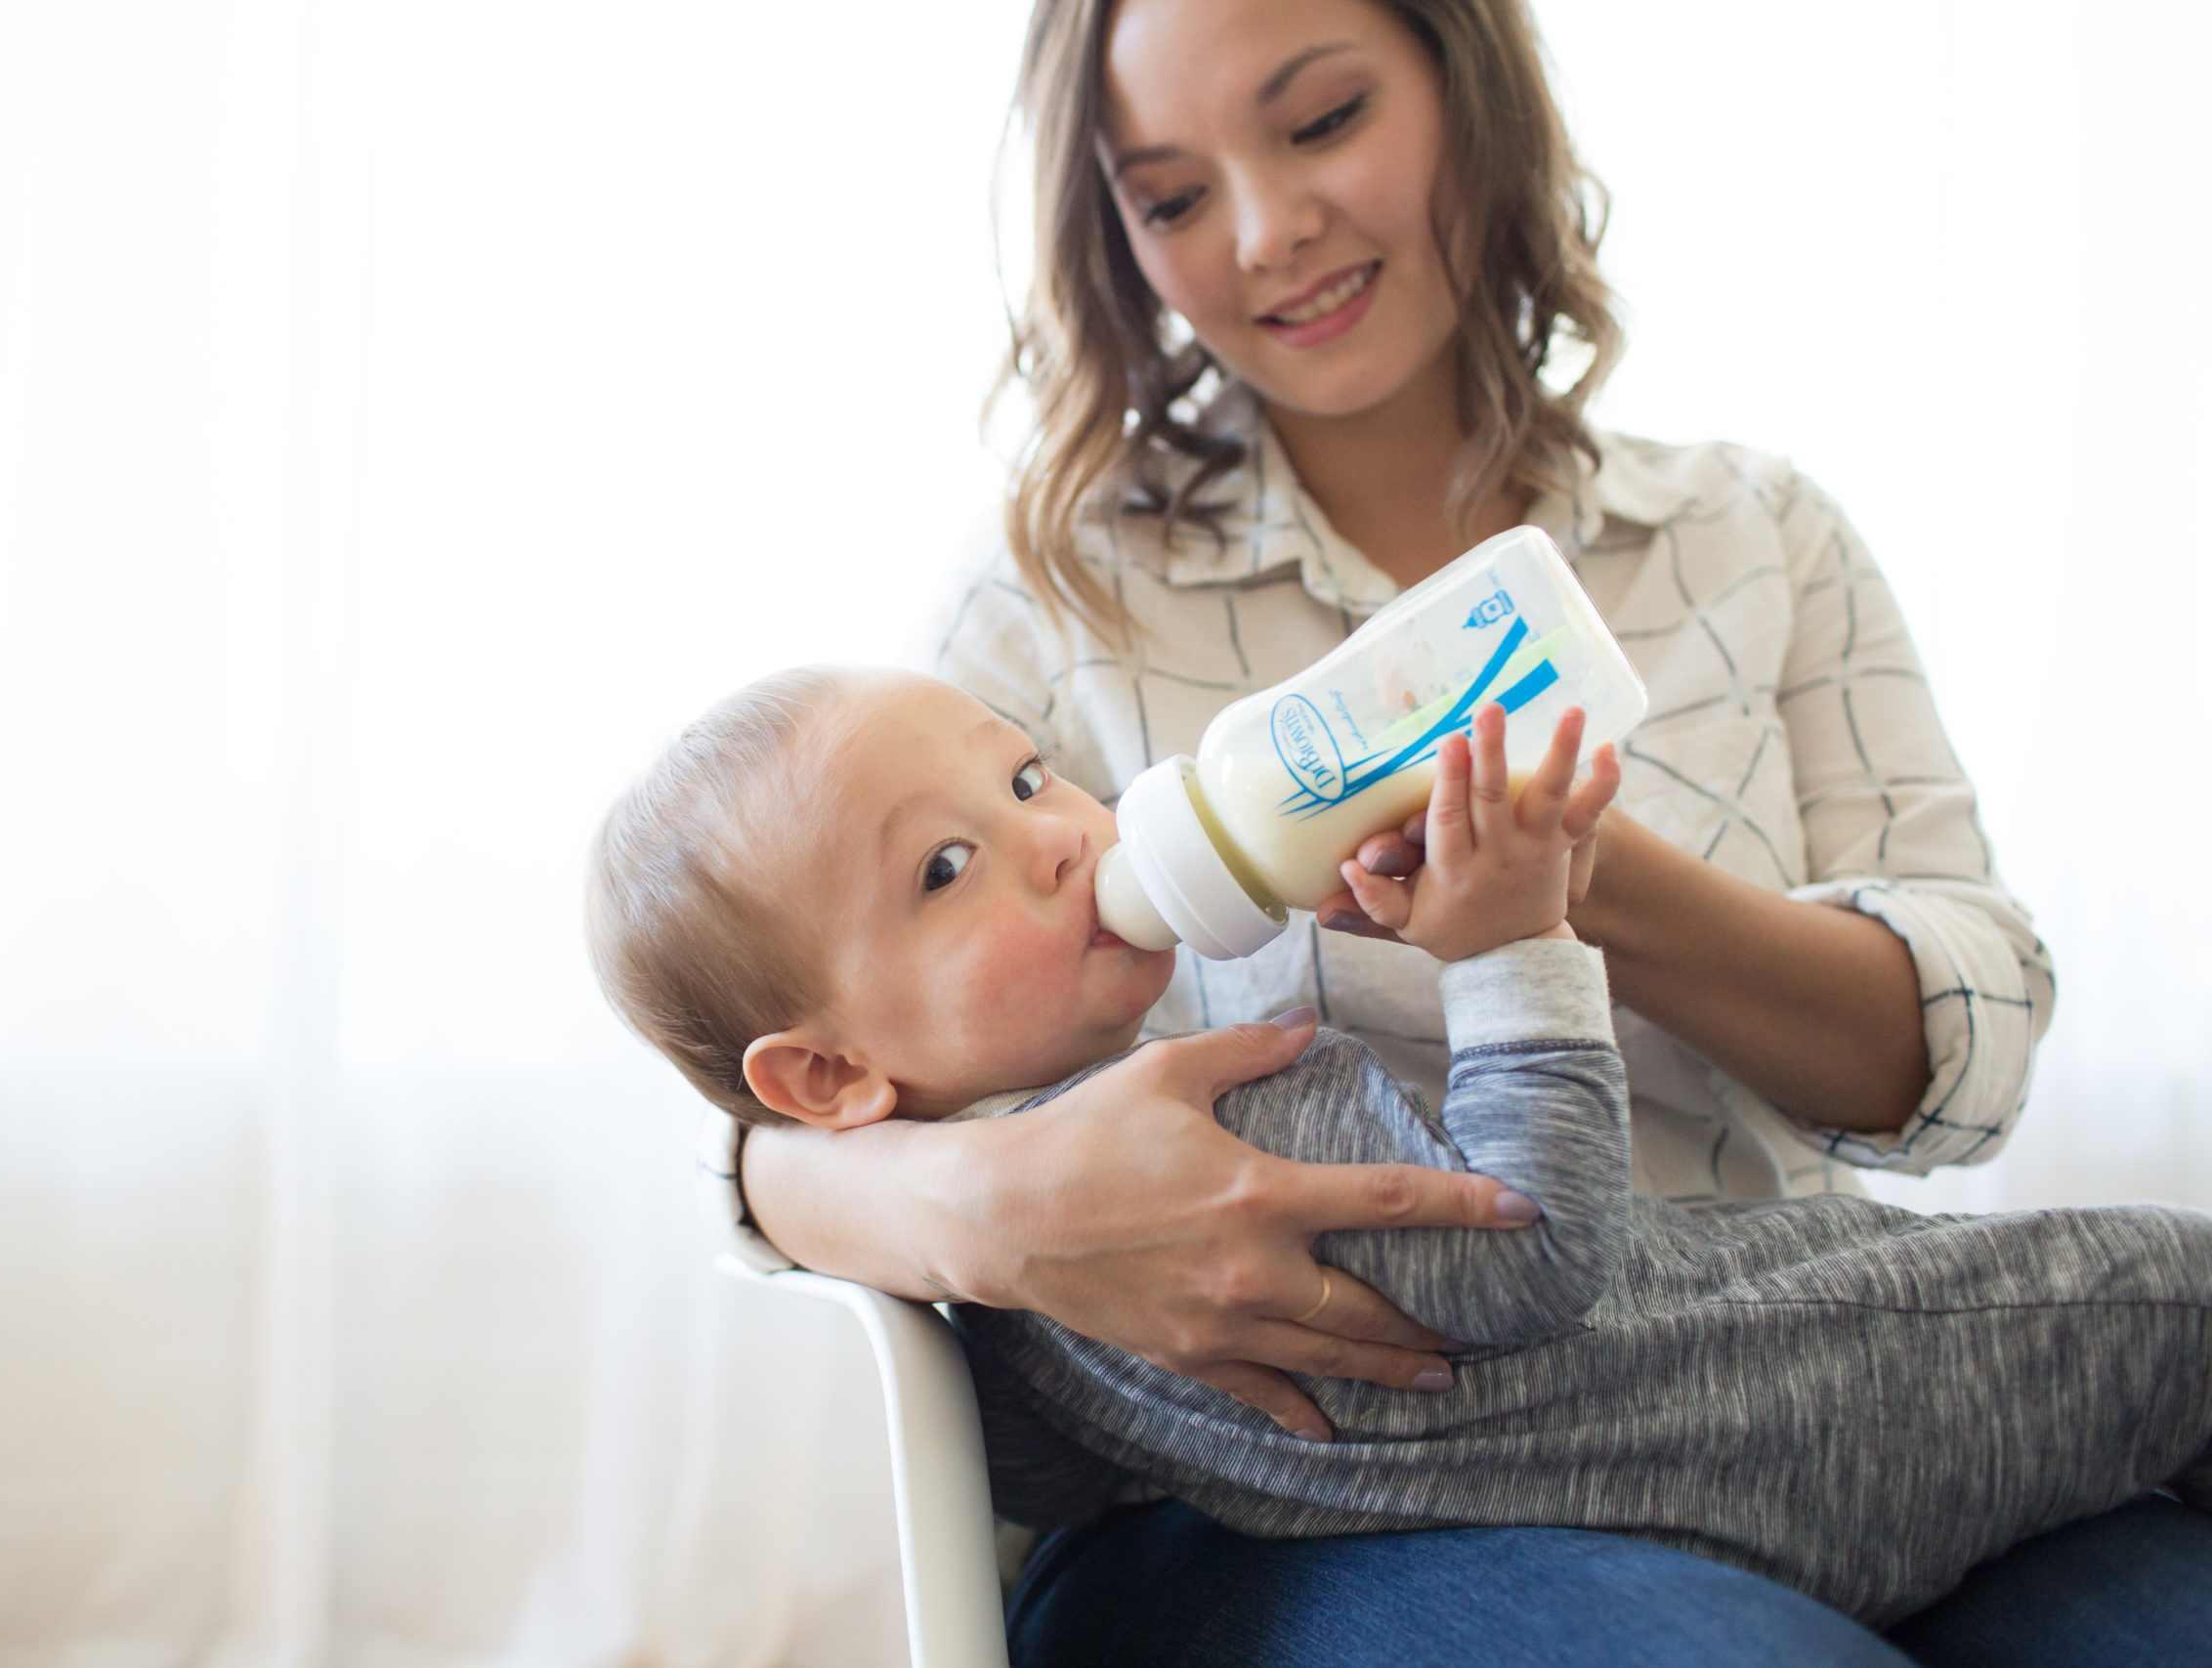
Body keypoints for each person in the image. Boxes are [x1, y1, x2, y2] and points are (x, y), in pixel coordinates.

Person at [698, 0, 2212, 1661]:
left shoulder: (1747, 537)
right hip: (1283, 1491)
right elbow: (789, 1068)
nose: (1270, 233)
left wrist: (1565, 891)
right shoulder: (1058, 592)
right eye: (1175, 197)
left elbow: (1963, 1057)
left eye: (1324, 119)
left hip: (1791, 1393)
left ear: (1465, 86)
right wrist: (985, 1199)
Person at [594, 664, 2211, 1624]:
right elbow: (1533, 1251)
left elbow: (1048, 1459)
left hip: (1709, 1480)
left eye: (1027, 772)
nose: (1061, 830)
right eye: (951, 864)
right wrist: (1513, 945)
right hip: (1832, 1396)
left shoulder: (1044, 1293)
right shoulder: (1198, 1130)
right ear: (824, 1076)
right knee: (2176, 1299)